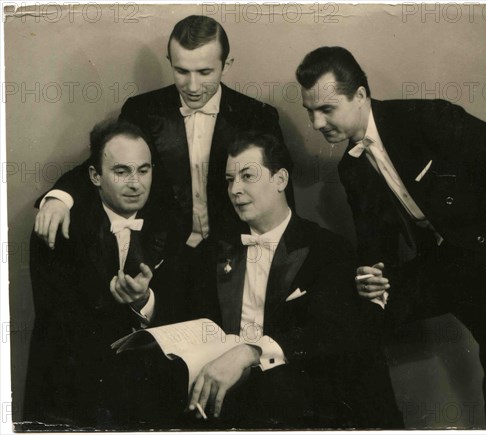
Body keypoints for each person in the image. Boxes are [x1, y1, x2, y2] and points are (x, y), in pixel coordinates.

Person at [296, 46, 486, 428]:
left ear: (360, 96)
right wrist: (373, 278)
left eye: (326, 109)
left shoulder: (427, 119)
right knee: (350, 320)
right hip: (445, 267)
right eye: (309, 111)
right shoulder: (351, 169)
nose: (316, 123)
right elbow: (375, 242)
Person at [180, 131, 402, 429]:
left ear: (280, 180)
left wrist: (250, 352)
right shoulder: (212, 252)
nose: (235, 189)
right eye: (230, 180)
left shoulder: (328, 249)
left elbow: (330, 333)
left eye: (247, 176)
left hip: (299, 397)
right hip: (226, 395)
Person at [33, 15, 291, 253]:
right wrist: (59, 199)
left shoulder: (259, 116)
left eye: (204, 72)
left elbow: (282, 196)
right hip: (162, 256)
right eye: (181, 71)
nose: (192, 86)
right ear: (170, 62)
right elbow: (106, 166)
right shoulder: (142, 111)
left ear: (226, 65)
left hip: (237, 254)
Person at [23, 119, 180, 428]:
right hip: (72, 393)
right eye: (121, 171)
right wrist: (112, 298)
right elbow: (57, 322)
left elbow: (181, 310)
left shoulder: (169, 224)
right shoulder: (59, 228)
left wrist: (144, 300)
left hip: (147, 394)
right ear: (94, 176)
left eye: (143, 170)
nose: (136, 184)